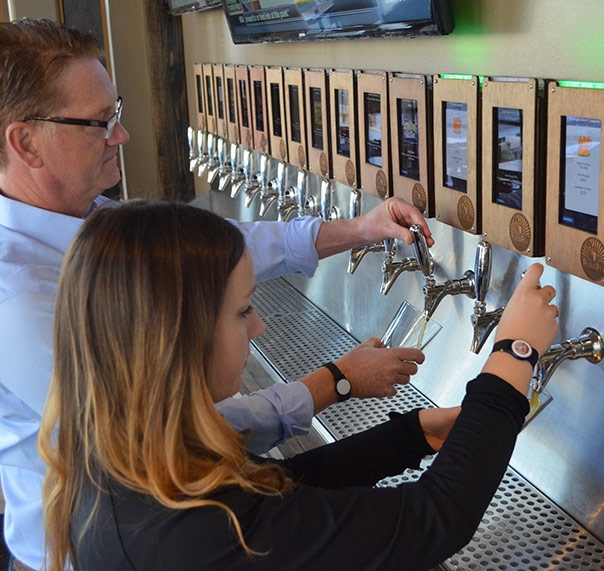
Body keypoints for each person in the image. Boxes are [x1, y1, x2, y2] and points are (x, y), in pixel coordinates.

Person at [0, 18, 434, 569]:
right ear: (26, 143)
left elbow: (230, 246)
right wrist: (336, 382)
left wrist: (360, 229)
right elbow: (175, 441)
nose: (121, 136)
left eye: (119, 113)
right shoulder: (16, 300)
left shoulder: (88, 219)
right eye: (100, 123)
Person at [39, 200, 559, 570]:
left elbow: (278, 488)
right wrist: (515, 352)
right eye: (243, 310)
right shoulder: (194, 533)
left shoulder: (114, 459)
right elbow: (435, 518)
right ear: (176, 339)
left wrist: (409, 436)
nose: (259, 326)